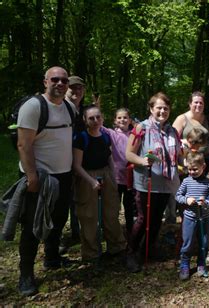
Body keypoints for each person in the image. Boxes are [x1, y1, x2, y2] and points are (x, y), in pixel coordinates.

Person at [16, 66, 75, 296]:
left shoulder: (69, 108)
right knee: (32, 226)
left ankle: (52, 257)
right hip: (39, 177)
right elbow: (23, 144)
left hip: (64, 175)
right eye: (55, 79)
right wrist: (31, 176)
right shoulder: (33, 107)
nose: (60, 83)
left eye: (64, 80)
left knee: (59, 219)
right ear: (45, 82)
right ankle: (26, 274)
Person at [125, 92, 182, 273]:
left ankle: (149, 248)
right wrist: (142, 161)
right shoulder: (141, 128)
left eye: (166, 108)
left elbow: (178, 156)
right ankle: (131, 253)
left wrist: (186, 164)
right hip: (146, 182)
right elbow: (129, 154)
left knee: (157, 219)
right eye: (159, 108)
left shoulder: (173, 131)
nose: (162, 111)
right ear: (151, 109)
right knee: (143, 219)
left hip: (165, 182)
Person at [72, 106, 127, 262]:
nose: (95, 121)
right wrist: (91, 181)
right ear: (85, 120)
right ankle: (91, 253)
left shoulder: (105, 136)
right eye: (91, 118)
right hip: (87, 176)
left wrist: (113, 173)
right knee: (89, 215)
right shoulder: (81, 138)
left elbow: (109, 155)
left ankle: (117, 247)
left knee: (111, 212)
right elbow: (77, 165)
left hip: (106, 174)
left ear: (102, 118)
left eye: (98, 117)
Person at [175, 152, 209, 280]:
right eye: (189, 169)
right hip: (190, 217)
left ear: (203, 166)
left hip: (205, 218)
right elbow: (178, 196)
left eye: (195, 169)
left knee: (203, 242)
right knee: (188, 242)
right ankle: (185, 264)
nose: (191, 172)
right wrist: (186, 200)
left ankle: (201, 263)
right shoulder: (186, 181)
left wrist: (205, 203)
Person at [59, 75, 86, 255]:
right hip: (59, 161)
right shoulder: (59, 109)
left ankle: (77, 232)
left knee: (78, 197)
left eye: (79, 88)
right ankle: (58, 237)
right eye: (73, 88)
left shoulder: (84, 111)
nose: (76, 91)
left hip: (79, 161)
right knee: (60, 201)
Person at [101, 108, 136, 237]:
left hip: (130, 178)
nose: (122, 120)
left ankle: (131, 231)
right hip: (115, 177)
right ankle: (113, 232)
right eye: (119, 118)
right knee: (114, 207)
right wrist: (98, 108)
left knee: (129, 207)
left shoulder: (134, 134)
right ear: (115, 121)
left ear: (130, 120)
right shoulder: (112, 133)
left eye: (125, 117)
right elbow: (99, 125)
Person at [172, 91, 209, 175]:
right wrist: (186, 143)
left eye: (201, 103)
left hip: (203, 161)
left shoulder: (208, 120)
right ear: (190, 104)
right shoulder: (182, 119)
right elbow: (172, 139)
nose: (198, 105)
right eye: (196, 102)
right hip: (187, 162)